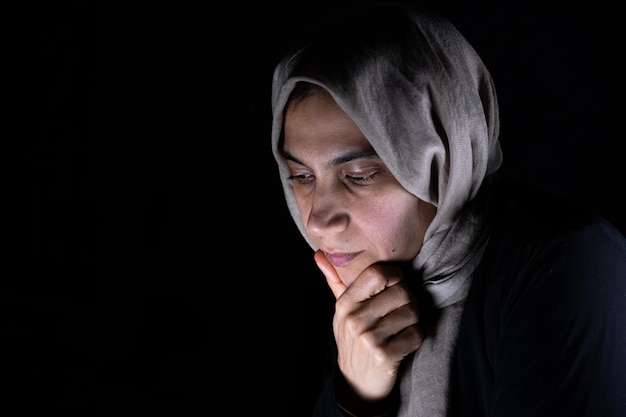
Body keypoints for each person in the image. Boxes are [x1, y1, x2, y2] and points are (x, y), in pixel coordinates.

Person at [269, 1, 626, 416]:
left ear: (447, 158)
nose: (317, 219)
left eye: (360, 174)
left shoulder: (569, 268)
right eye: (301, 176)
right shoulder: (356, 288)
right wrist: (355, 396)